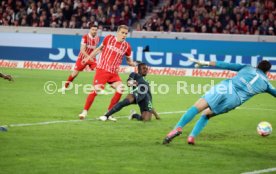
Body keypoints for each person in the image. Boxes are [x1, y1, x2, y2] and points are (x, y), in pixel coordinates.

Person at [163, 59, 276, 145]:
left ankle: (178, 127)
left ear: (257, 66)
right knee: (206, 115)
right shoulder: (266, 84)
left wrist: (205, 63)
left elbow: (226, 65)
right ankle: (191, 137)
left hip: (224, 87)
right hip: (234, 100)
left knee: (196, 108)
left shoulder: (247, 68)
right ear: (267, 72)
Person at [79, 25, 137, 120]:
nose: (124, 35)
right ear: (118, 32)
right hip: (102, 70)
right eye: (122, 32)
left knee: (120, 89)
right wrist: (88, 58)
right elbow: (98, 49)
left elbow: (129, 61)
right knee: (96, 90)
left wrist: (134, 64)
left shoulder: (127, 46)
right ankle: (84, 112)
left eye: (126, 33)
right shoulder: (108, 38)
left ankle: (108, 113)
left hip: (114, 73)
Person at [62, 24, 100, 89]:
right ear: (90, 29)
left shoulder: (97, 38)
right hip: (82, 58)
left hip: (91, 58)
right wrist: (89, 57)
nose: (94, 31)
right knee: (74, 74)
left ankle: (98, 88)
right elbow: (82, 50)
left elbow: (95, 50)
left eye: (95, 30)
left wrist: (99, 52)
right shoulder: (85, 37)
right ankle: (65, 87)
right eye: (93, 29)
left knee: (99, 71)